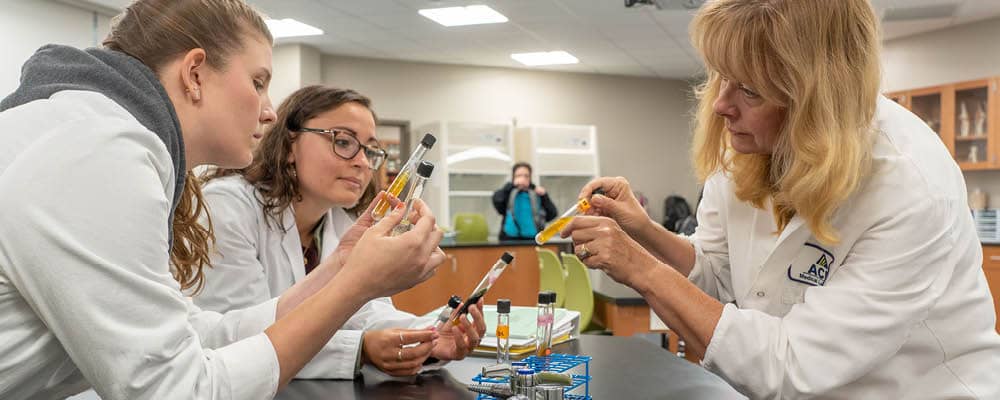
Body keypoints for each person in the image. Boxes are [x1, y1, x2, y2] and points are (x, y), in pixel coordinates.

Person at [0, 1, 442, 399]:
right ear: (195, 74)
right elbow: (178, 391)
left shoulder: (91, 134)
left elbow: (196, 334)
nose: (269, 112)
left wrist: (340, 268)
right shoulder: (97, 151)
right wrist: (356, 286)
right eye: (258, 81)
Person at [562, 0, 1000, 398]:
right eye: (721, 76)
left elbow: (792, 366)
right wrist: (645, 232)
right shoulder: (752, 146)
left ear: (814, 97)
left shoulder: (909, 188)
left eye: (750, 89)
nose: (720, 105)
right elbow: (718, 277)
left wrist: (641, 269)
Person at [195, 85, 486, 378]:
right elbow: (241, 339)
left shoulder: (341, 221)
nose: (361, 161)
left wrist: (431, 334)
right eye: (344, 142)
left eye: (370, 150)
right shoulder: (228, 207)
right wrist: (360, 349)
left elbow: (368, 314)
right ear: (289, 145)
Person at [492, 162, 557, 240]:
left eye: (526, 176)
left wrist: (544, 196)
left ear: (530, 177)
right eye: (519, 176)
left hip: (532, 240)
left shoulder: (537, 193)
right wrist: (511, 186)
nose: (522, 179)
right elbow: (497, 202)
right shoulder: (508, 192)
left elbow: (552, 214)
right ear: (513, 177)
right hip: (509, 239)